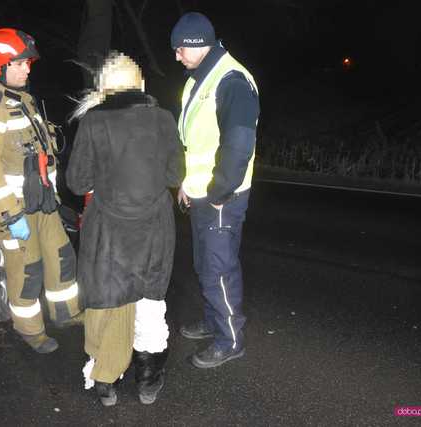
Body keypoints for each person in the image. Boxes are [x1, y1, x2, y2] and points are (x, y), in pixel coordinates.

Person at [66, 52, 185, 406]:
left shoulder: (92, 122)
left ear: (103, 89)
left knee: (107, 302)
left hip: (109, 233)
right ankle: (148, 381)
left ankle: (106, 382)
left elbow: (76, 182)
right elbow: (175, 176)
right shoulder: (164, 119)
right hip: (153, 230)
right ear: (142, 85)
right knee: (150, 303)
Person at [0, 28, 81, 354]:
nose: (27, 69)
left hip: (45, 203)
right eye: (19, 64)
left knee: (62, 258)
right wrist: (9, 213)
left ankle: (67, 313)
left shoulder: (25, 100)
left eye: (27, 63)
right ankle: (31, 332)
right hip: (16, 210)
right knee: (27, 271)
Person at [171, 12, 260, 368]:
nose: (176, 56)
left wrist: (219, 192)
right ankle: (213, 322)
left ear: (196, 43)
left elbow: (239, 147)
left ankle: (230, 340)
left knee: (218, 270)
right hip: (202, 192)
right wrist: (187, 184)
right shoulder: (198, 79)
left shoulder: (233, 81)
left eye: (180, 49)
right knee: (204, 264)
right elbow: (195, 142)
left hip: (221, 195)